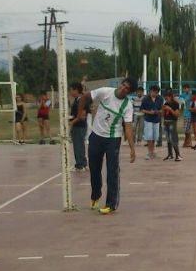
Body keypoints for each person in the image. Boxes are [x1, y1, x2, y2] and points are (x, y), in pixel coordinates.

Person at [77, 77, 137, 214]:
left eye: (127, 88)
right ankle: (95, 195)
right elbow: (85, 97)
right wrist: (80, 112)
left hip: (113, 139)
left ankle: (111, 204)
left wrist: (132, 149)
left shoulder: (127, 105)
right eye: (123, 85)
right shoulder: (105, 92)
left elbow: (128, 127)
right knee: (94, 169)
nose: (123, 88)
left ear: (129, 92)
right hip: (96, 136)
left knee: (112, 172)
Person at [68, 82, 89, 172]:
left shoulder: (81, 100)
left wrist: (72, 122)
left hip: (79, 126)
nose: (70, 92)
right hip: (78, 126)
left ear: (76, 90)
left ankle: (80, 165)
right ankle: (83, 163)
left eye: (71, 90)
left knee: (78, 145)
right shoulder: (77, 100)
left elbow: (82, 116)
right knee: (79, 145)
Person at [140, 85, 162, 160]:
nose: (155, 94)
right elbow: (142, 109)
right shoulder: (145, 99)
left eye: (157, 93)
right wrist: (149, 112)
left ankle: (153, 152)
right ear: (150, 91)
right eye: (154, 92)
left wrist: (157, 111)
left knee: (155, 137)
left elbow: (162, 109)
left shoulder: (160, 98)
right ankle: (149, 152)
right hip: (148, 119)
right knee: (149, 136)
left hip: (156, 119)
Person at [162, 89, 182, 161]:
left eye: (167, 97)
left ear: (170, 96)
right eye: (165, 97)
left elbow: (177, 114)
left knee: (173, 139)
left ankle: (178, 155)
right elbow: (162, 115)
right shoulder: (165, 104)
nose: (165, 98)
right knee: (168, 139)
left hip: (172, 122)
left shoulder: (175, 104)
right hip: (166, 122)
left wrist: (170, 109)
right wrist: (162, 110)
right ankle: (170, 154)